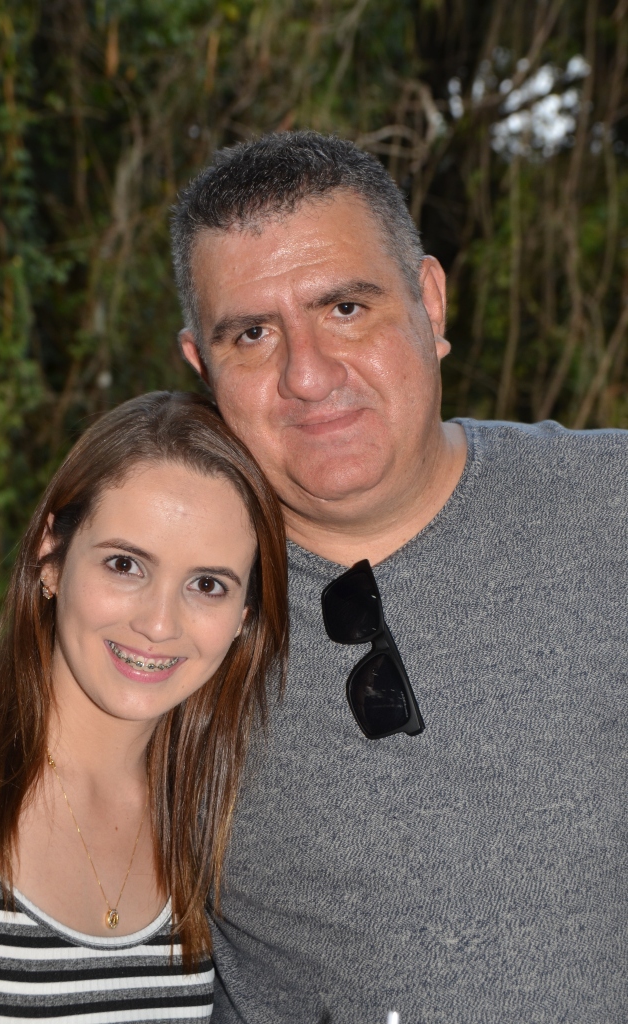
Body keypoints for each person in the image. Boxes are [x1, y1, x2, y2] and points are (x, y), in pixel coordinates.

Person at [170, 132, 628, 1023]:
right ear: (203, 367)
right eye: (253, 334)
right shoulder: (163, 623)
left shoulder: (611, 504)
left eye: (346, 308)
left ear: (430, 301)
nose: (308, 376)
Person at [0, 391, 288, 1022]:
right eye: (125, 564)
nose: (159, 624)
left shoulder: (204, 812)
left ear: (244, 617)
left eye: (207, 584)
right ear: (51, 557)